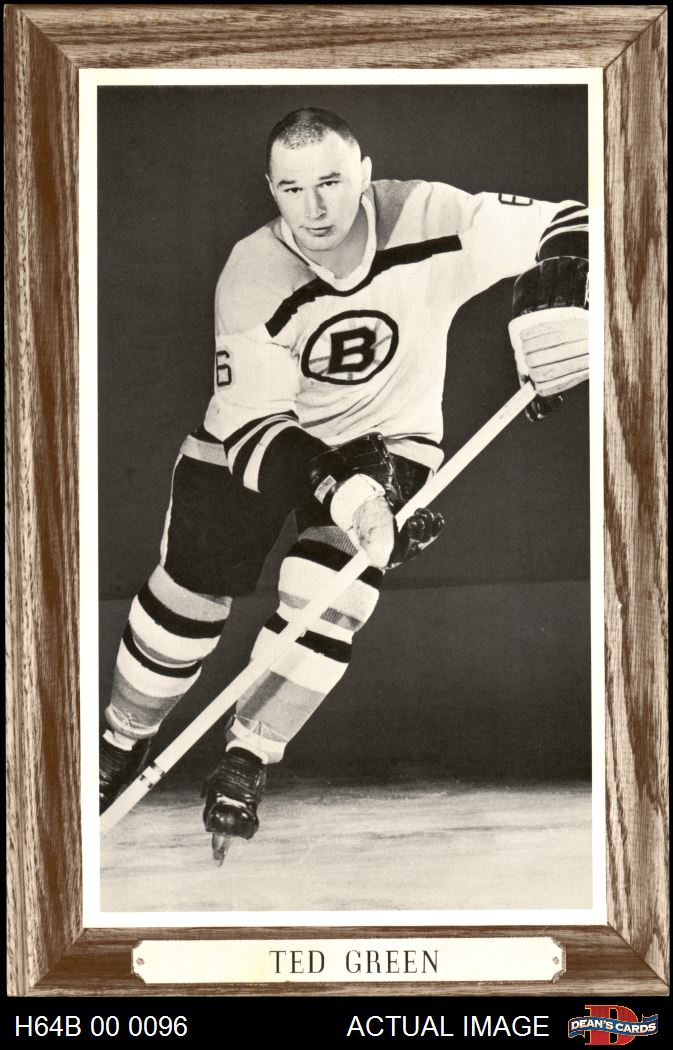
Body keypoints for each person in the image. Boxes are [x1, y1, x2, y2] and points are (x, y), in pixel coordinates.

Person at [99, 107, 589, 854]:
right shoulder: (252, 272)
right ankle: (119, 744)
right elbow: (256, 431)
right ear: (271, 189)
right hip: (264, 441)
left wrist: (568, 295)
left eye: (330, 182)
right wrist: (348, 493)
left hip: (390, 437)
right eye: (293, 189)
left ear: (364, 175)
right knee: (185, 600)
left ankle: (247, 756)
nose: (315, 208)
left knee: (330, 594)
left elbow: (569, 221)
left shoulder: (429, 215)